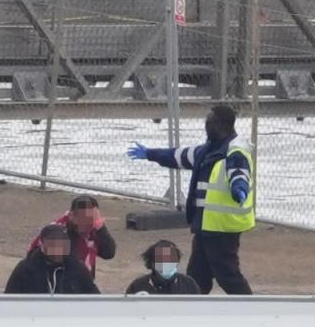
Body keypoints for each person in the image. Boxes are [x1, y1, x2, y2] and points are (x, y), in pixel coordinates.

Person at [127, 104, 254, 294]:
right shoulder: (208, 150)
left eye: (208, 122)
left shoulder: (234, 150)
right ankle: (192, 307)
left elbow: (238, 172)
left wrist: (239, 189)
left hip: (222, 228)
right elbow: (179, 156)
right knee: (197, 275)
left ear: (221, 124)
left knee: (227, 275)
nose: (205, 125)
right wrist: (150, 154)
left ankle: (250, 309)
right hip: (205, 227)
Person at [27, 195, 116, 278]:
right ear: (71, 216)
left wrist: (100, 227)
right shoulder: (57, 232)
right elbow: (33, 258)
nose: (86, 226)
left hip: (82, 281)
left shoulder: (94, 228)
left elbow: (108, 253)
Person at [4, 224, 100, 295]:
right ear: (41, 244)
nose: (57, 251)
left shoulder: (78, 268)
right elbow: (9, 297)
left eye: (62, 246)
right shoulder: (26, 268)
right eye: (53, 246)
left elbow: (95, 298)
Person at [126, 240, 201, 295]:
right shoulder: (138, 286)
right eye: (162, 260)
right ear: (152, 264)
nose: (167, 264)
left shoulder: (189, 284)